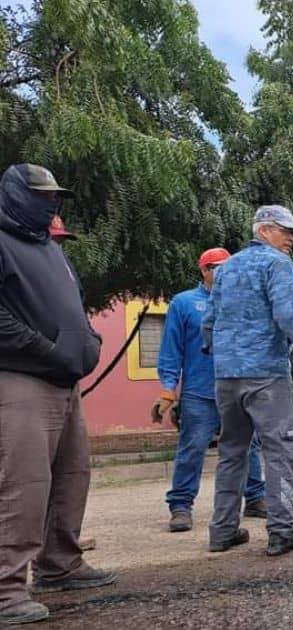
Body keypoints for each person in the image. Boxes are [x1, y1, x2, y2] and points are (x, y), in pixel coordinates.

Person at [0, 164, 116, 625]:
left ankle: (59, 563)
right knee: (22, 485)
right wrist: (49, 351)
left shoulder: (48, 247)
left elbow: (70, 307)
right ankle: (7, 591)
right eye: (41, 195)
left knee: (72, 475)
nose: (52, 203)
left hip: (64, 380)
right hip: (20, 377)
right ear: (14, 194)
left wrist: (87, 340)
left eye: (55, 196)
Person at [203, 205, 293, 556]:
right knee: (281, 450)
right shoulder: (277, 264)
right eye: (285, 231)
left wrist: (220, 352)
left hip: (227, 377)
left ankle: (222, 531)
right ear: (263, 231)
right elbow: (289, 315)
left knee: (232, 451)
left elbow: (210, 321)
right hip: (265, 376)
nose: (291, 238)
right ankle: (281, 531)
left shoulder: (226, 269)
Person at [155, 248, 269, 534]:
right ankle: (181, 506)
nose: (224, 272)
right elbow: (172, 348)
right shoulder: (184, 303)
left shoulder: (242, 301)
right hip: (200, 393)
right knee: (192, 448)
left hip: (237, 386)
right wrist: (168, 389)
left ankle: (254, 497)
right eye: (217, 267)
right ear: (204, 270)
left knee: (249, 446)